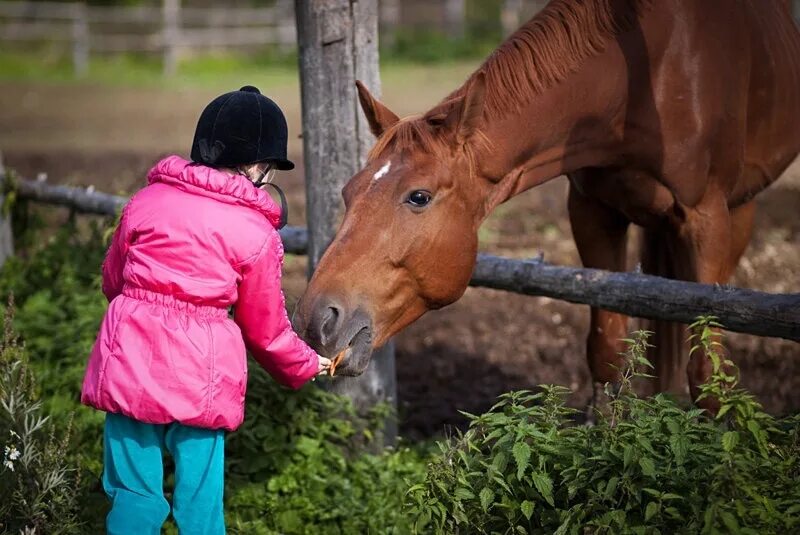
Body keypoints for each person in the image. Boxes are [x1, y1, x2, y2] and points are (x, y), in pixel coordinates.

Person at [81, 85, 330, 534]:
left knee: (133, 496)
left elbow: (113, 281)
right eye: (269, 166)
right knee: (200, 504)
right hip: (202, 375)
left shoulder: (145, 202)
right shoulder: (256, 233)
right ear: (257, 166)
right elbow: (264, 329)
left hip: (129, 363)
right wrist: (308, 364)